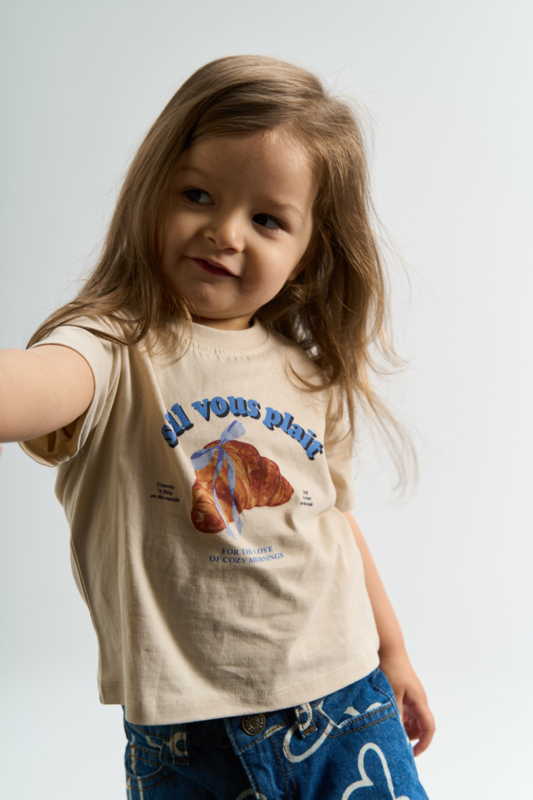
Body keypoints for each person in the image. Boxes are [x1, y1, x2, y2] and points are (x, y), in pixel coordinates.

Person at [0, 55, 435, 799]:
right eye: (197, 195)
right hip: (189, 739)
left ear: (308, 251)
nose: (224, 232)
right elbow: (32, 387)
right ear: (152, 193)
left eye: (267, 219)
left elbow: (330, 521)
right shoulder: (112, 347)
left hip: (345, 700)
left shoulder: (308, 374)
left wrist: (393, 652)